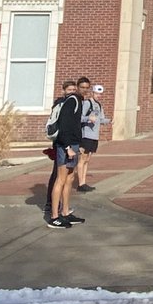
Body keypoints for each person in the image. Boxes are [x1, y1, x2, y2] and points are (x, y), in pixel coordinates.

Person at [47, 77, 87, 229]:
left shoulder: (78, 102)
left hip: (74, 144)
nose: (84, 90)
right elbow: (64, 126)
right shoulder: (71, 102)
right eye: (81, 87)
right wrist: (67, 147)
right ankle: (54, 216)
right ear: (77, 87)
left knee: (70, 178)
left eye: (86, 87)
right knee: (61, 179)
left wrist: (79, 145)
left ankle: (65, 212)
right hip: (65, 145)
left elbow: (75, 126)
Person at [43, 79, 77, 216]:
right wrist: (67, 145)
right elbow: (63, 125)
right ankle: (53, 209)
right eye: (69, 90)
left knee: (64, 176)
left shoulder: (65, 103)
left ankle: (62, 208)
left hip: (62, 141)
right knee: (58, 177)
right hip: (62, 142)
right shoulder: (62, 104)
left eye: (73, 90)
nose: (71, 93)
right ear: (63, 91)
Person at [76, 83, 111, 193]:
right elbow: (79, 118)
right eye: (97, 93)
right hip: (86, 135)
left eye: (100, 94)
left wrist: (109, 121)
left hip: (94, 136)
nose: (98, 96)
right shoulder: (87, 103)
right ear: (92, 93)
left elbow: (101, 119)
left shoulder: (99, 105)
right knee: (82, 159)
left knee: (87, 159)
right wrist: (88, 119)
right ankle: (80, 183)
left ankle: (84, 182)